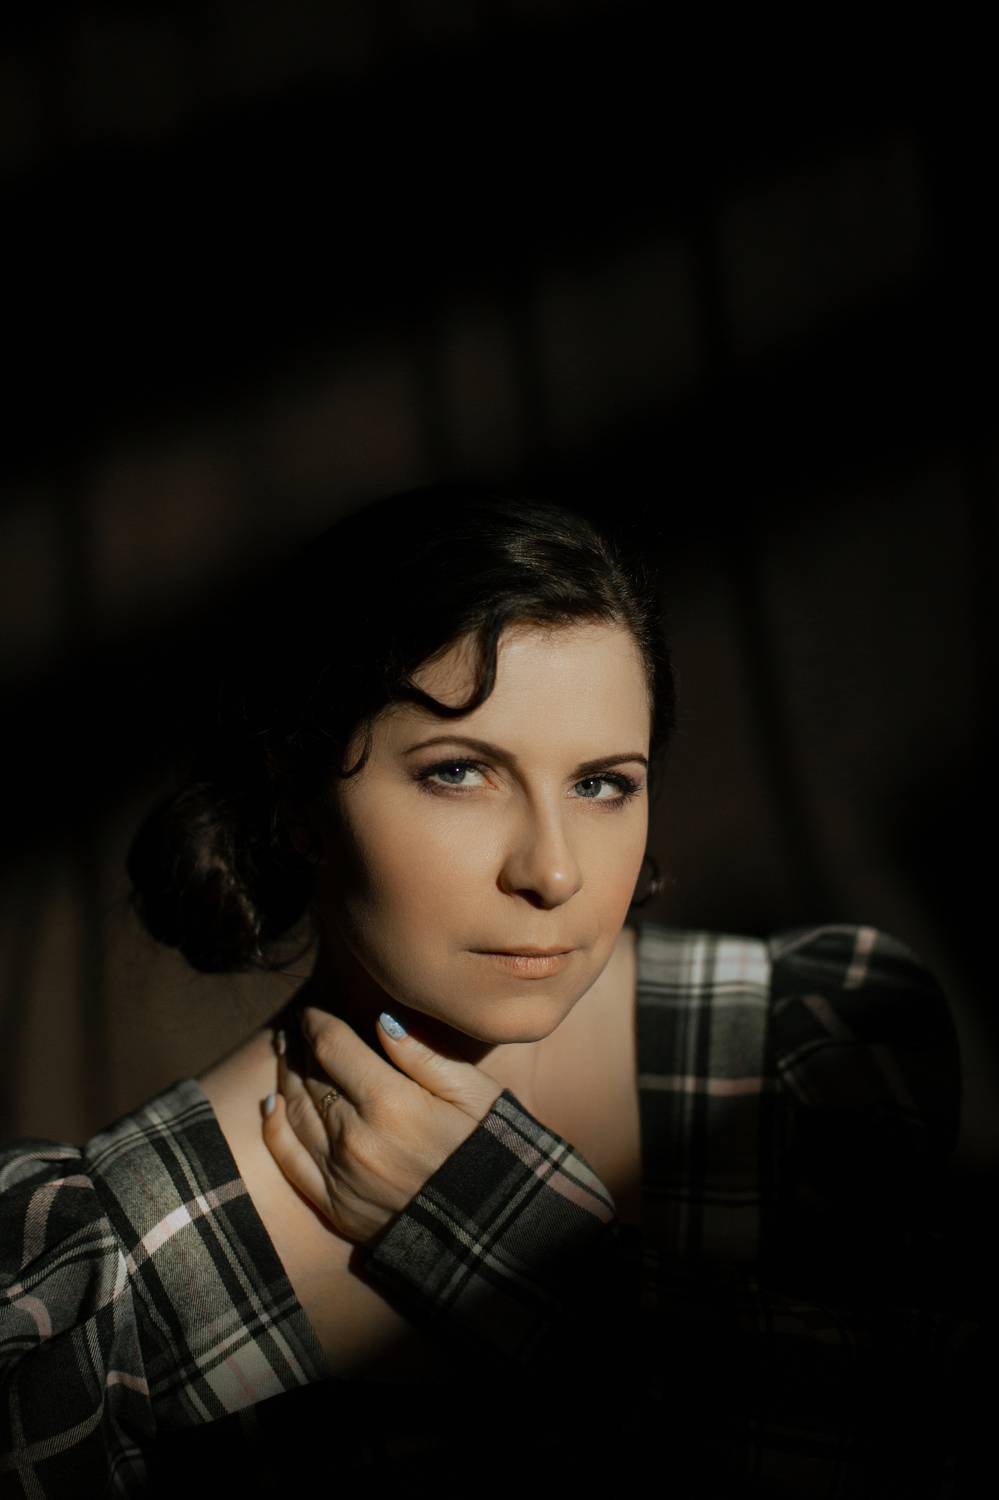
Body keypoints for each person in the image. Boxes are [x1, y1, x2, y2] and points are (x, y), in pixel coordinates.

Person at [0, 484, 983, 1497]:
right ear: (297, 800)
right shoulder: (104, 1272)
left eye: (601, 784)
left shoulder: (796, 1051)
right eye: (461, 773)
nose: (552, 872)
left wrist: (517, 1251)